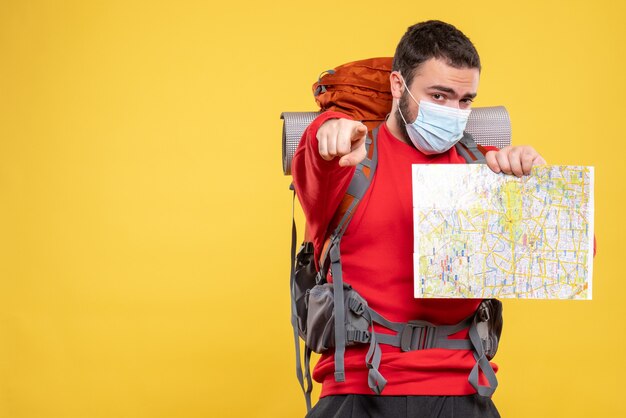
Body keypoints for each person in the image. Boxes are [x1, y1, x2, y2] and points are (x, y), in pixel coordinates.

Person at [292, 20, 545, 418]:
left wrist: (535, 189)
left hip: (464, 390)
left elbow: (581, 251)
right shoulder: (350, 159)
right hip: (359, 390)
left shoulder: (486, 168)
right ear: (398, 85)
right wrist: (328, 136)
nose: (453, 112)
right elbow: (314, 162)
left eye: (465, 101)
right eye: (439, 96)